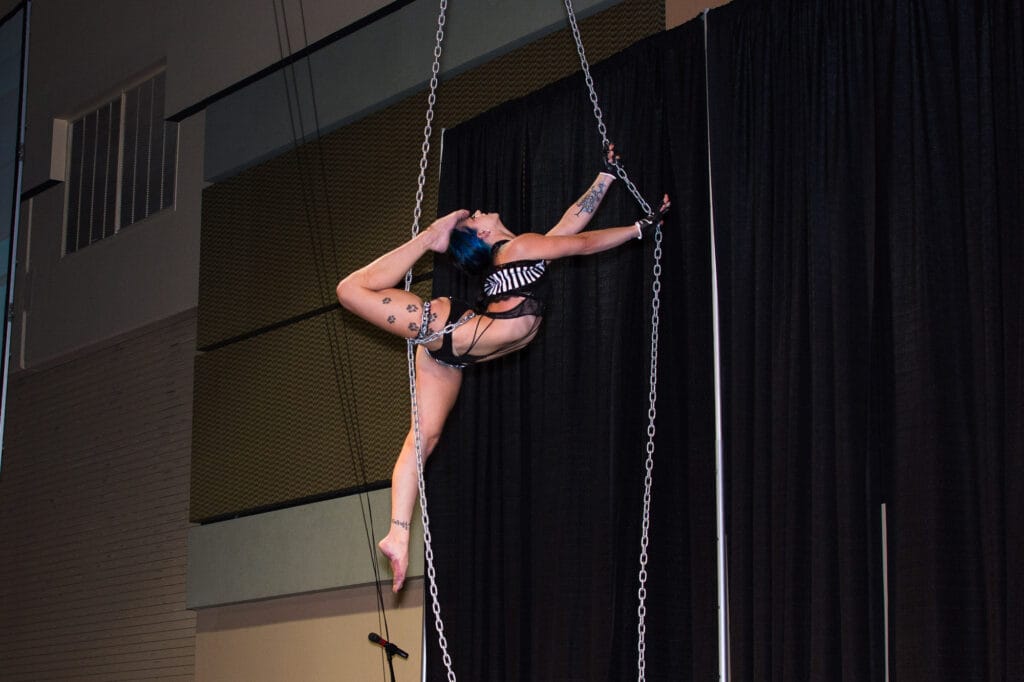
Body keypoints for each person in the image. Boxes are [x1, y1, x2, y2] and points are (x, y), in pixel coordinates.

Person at [336, 148, 669, 592]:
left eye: (474, 213)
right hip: (447, 326)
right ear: (482, 233)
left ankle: (398, 532)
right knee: (351, 291)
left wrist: (606, 177)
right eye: (474, 216)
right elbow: (583, 244)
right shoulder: (521, 248)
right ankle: (429, 239)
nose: (479, 211)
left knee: (424, 439)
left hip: (452, 354)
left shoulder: (524, 252)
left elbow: (570, 226)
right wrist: (637, 229)